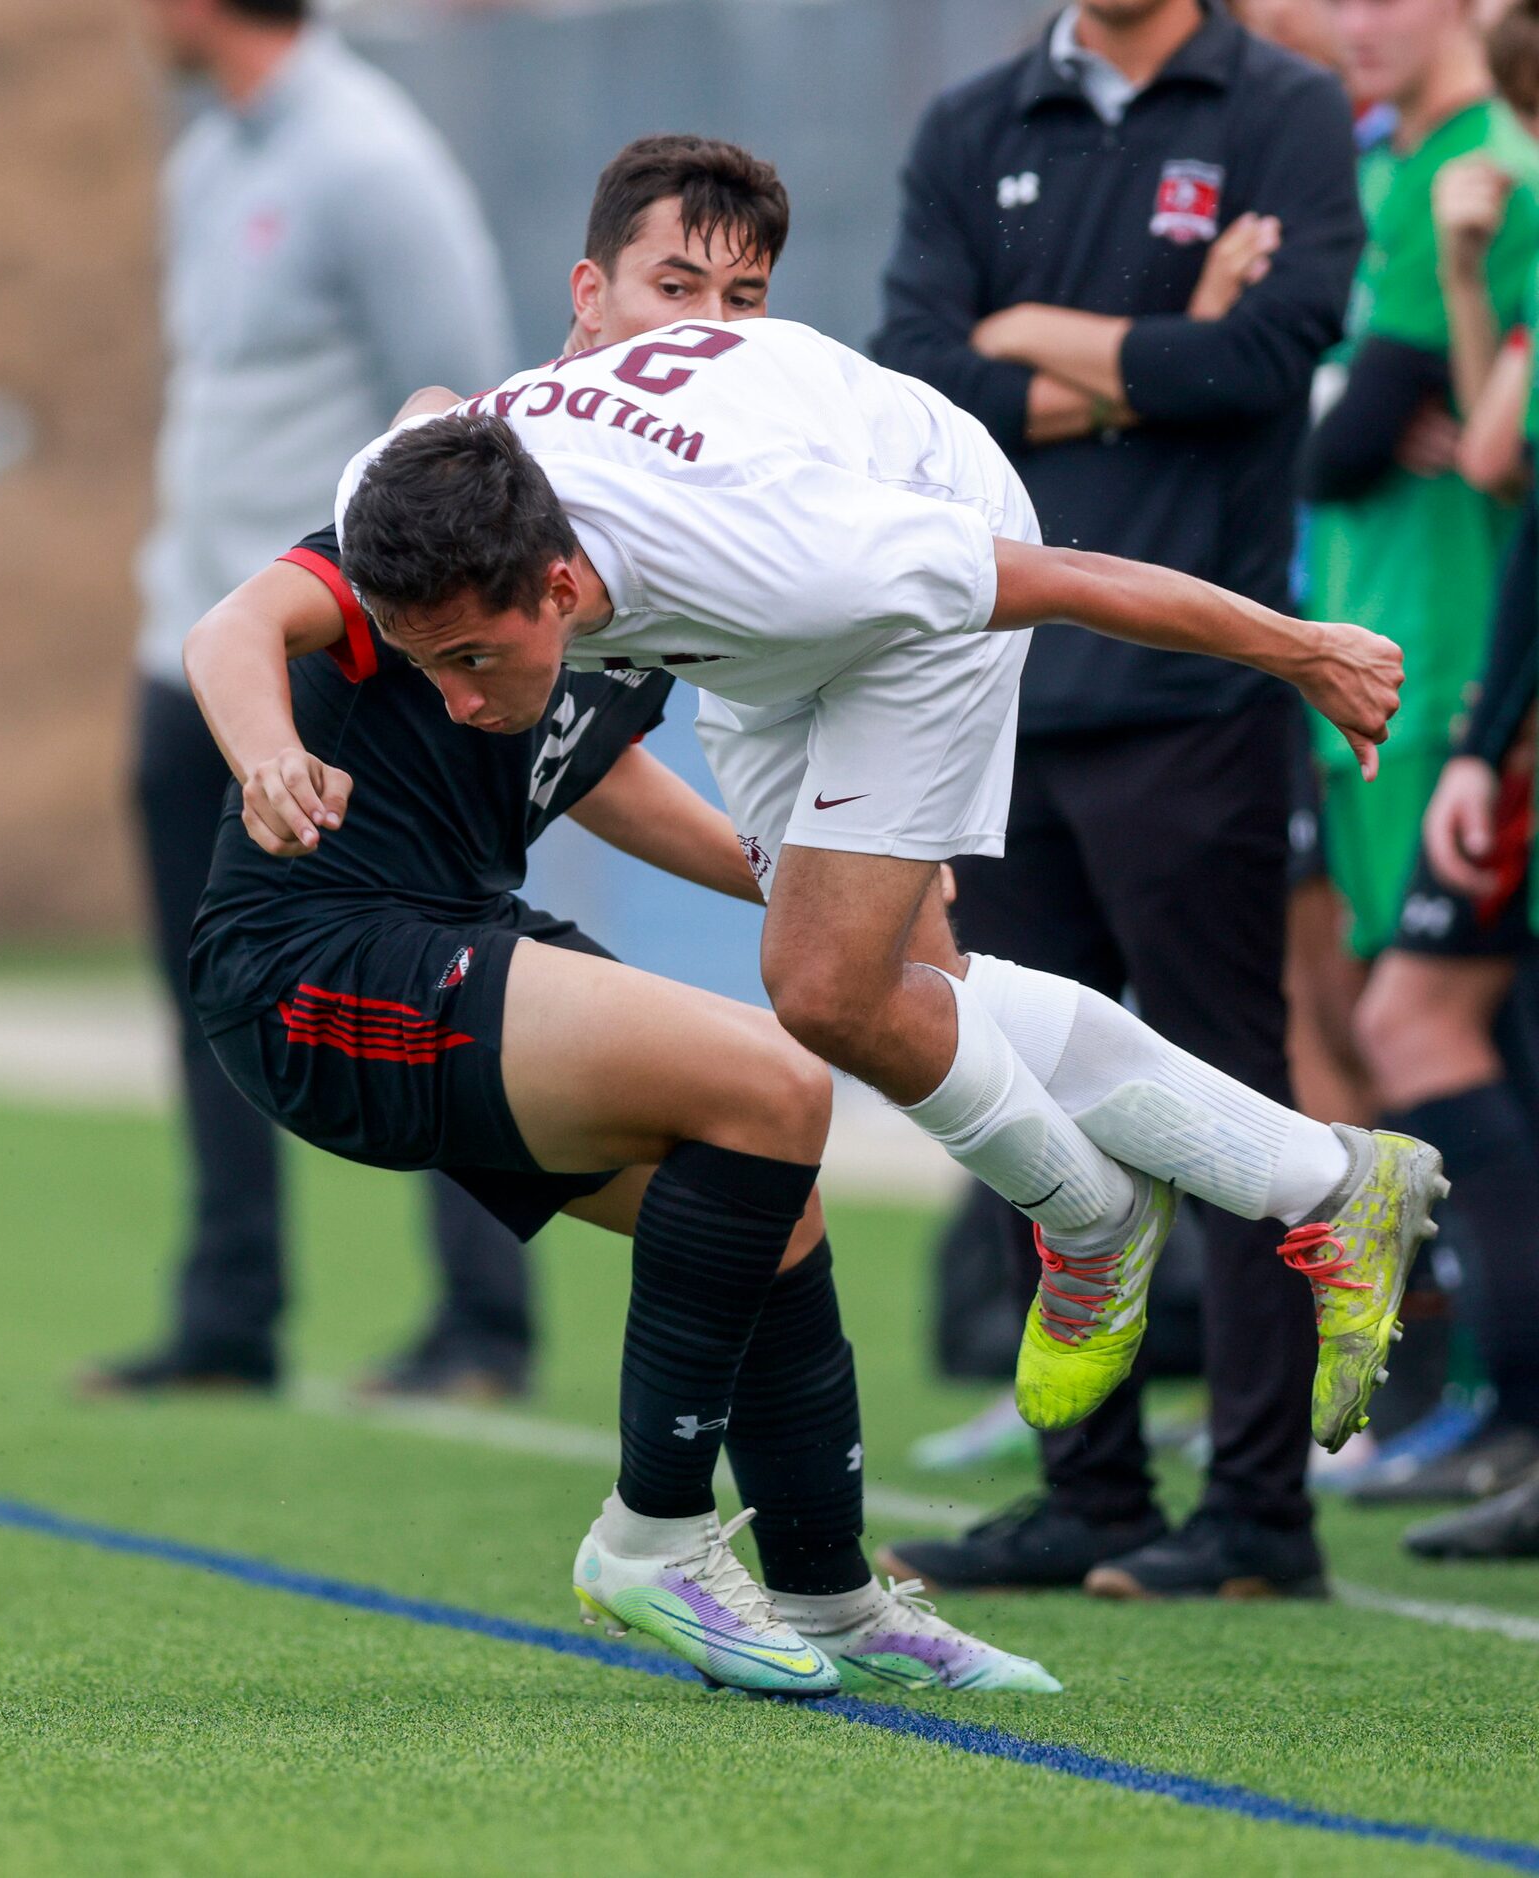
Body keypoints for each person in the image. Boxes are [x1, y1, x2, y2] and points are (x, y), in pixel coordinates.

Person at [184, 138, 1058, 1697]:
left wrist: (806, 874)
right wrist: (267, 753)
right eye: (672, 285)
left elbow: (596, 771)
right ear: (589, 298)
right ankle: (649, 1538)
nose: (699, 324)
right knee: (774, 1080)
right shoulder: (471, 478)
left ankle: (836, 1593)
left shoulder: (670, 509)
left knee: (771, 1199)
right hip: (311, 958)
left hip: (452, 934)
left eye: (740, 297)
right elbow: (241, 620)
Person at [323, 319, 1446, 1512]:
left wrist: (1303, 651)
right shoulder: (387, 500)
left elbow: (1063, 580)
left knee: (819, 986)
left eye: (468, 659)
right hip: (759, 644)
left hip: (920, 555)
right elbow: (431, 399)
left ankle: (1092, 1224)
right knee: (908, 991)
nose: (451, 701)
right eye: (422, 661)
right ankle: (1331, 1182)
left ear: (556, 584)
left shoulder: (794, 553)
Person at [866, 0, 1365, 1599]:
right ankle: (1089, 1492)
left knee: (1227, 1095)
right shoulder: (972, 128)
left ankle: (1259, 1509)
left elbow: (1264, 358)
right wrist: (1135, 363)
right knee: (1025, 1097)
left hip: (1193, 701)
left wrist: (1037, 338)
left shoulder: (1283, 104)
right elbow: (919, 389)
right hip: (1002, 690)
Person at [89, 0, 527, 1402]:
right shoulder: (208, 157)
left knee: (436, 974)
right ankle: (232, 1310)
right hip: (191, 645)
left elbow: (460, 421)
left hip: (332, 658)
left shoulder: (370, 162)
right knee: (207, 983)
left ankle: (482, 1323)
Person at [1345, 0, 1539, 1549]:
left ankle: (1499, 1406)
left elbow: (1438, 450)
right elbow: (1496, 451)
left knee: (1414, 1016)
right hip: (1467, 693)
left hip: (1463, 675)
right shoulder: (1443, 186)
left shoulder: (1476, 169)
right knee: (1411, 1015)